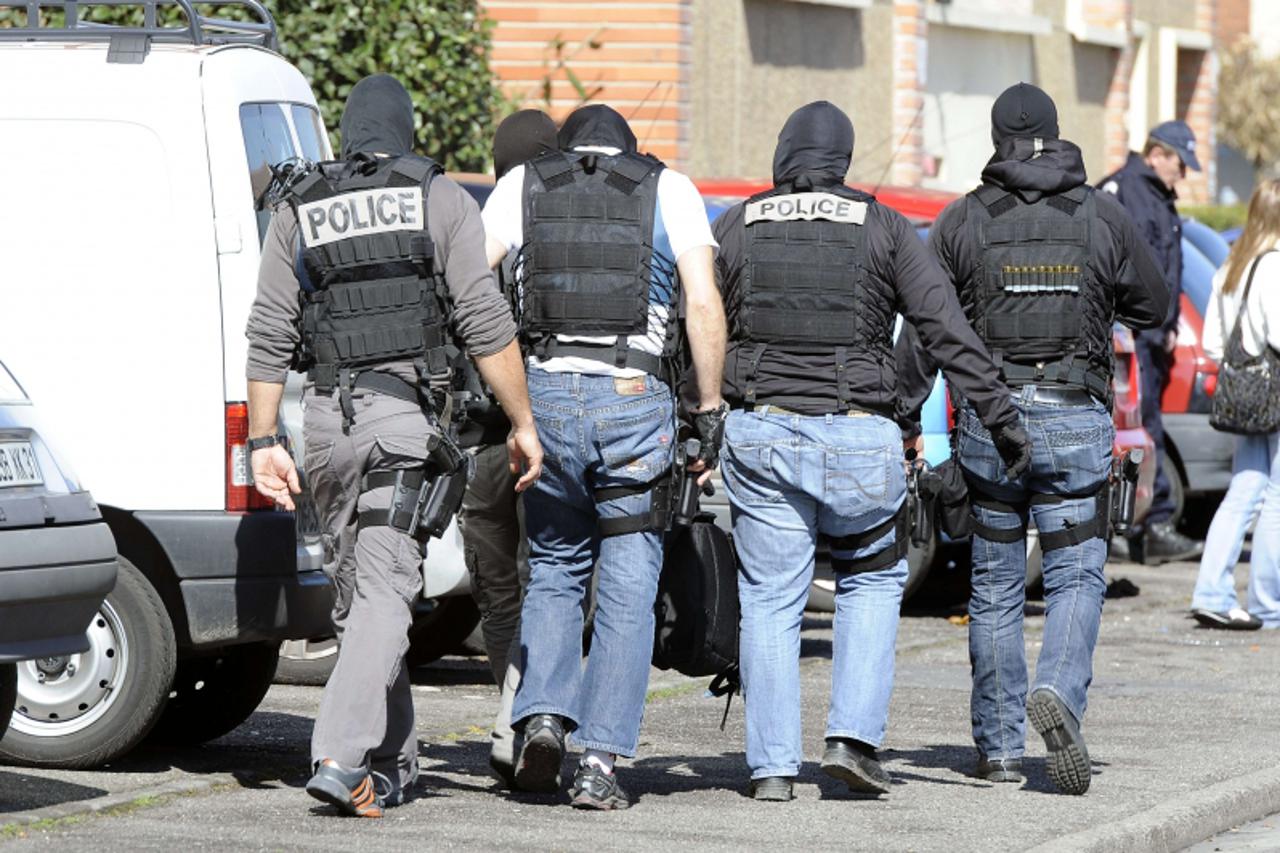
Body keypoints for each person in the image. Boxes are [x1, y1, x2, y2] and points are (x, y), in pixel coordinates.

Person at [244, 74, 543, 818]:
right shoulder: (437, 195)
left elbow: (268, 333)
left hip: (324, 426)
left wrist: (259, 440)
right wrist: (525, 423)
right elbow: (483, 317)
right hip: (402, 422)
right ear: (407, 131)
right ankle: (342, 757)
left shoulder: (298, 205)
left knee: (358, 598)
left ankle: (391, 761)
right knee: (380, 591)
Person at [714, 101, 1031, 803]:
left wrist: (693, 419)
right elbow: (945, 329)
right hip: (861, 436)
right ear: (844, 160)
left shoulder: (738, 222)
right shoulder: (884, 226)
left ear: (785, 153)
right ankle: (851, 740)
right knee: (871, 578)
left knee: (770, 598)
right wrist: (1003, 420)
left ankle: (770, 766)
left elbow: (697, 325)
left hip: (763, 431)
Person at [899, 83, 1169, 795]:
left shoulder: (961, 220)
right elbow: (1154, 302)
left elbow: (927, 325)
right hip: (1075, 416)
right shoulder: (1101, 214)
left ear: (996, 140)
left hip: (991, 425)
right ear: (1056, 134)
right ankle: (1057, 692)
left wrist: (898, 411)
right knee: (1078, 572)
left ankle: (997, 747)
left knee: (992, 584)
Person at [481, 104, 727, 810]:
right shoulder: (668, 188)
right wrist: (708, 408)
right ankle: (599, 763)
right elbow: (702, 305)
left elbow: (467, 283)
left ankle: (545, 716)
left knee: (555, 567)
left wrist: (504, 389)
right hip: (633, 398)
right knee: (627, 584)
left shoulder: (522, 185)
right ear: (627, 148)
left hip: (547, 395)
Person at [460, 108, 560, 787]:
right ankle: (520, 718)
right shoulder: (560, 233)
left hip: (480, 444)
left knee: (498, 594)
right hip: (544, 439)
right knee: (550, 586)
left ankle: (512, 715)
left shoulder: (472, 235)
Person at [1098, 120, 1203, 564]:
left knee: (1144, 434)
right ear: (1157, 153)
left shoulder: (1156, 196)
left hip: (1151, 337)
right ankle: (1138, 525)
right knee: (1132, 433)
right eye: (1180, 162)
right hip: (1131, 336)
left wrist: (1171, 323)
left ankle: (1143, 526)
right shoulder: (1127, 192)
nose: (1183, 173)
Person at [1190, 179, 1280, 630]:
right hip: (1277, 391)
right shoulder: (1274, 267)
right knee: (1277, 499)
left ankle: (1210, 591)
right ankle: (1267, 603)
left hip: (1244, 394)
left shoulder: (1230, 266)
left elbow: (1211, 343)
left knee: (1244, 490)